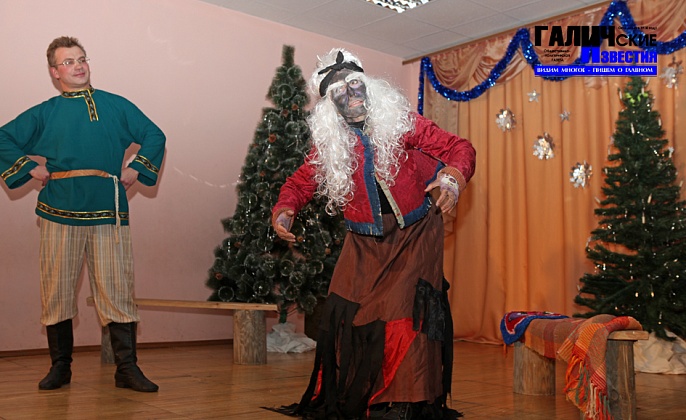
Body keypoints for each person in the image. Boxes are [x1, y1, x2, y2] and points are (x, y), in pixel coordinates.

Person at [271, 49, 476, 419]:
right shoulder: (330, 145)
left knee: (403, 314)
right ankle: (355, 394)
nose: (351, 93)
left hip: (415, 234)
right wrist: (285, 210)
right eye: (339, 91)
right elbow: (300, 183)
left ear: (367, 85)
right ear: (330, 105)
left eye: (355, 83)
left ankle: (403, 401)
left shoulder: (402, 123)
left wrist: (452, 177)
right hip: (363, 241)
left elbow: (459, 148)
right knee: (345, 311)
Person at [0, 36, 165, 392]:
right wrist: (30, 168)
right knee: (57, 290)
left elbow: (154, 135)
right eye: (68, 61)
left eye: (81, 59)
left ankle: (127, 369)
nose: (77, 66)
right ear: (54, 72)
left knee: (118, 289)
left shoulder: (115, 105)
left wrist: (136, 168)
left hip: (108, 210)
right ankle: (60, 368)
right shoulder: (45, 112)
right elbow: (3, 138)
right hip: (59, 209)